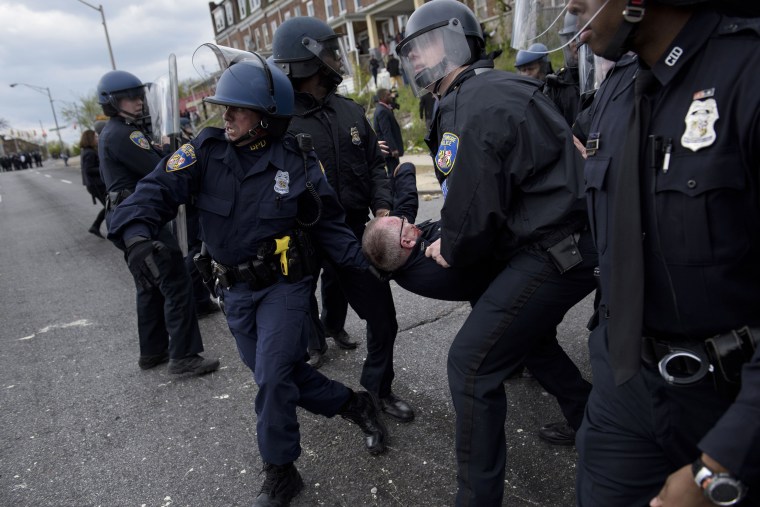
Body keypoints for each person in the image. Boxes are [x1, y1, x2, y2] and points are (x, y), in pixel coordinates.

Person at [107, 55, 389, 507]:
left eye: (236, 108)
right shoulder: (205, 150)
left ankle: (281, 472)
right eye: (225, 108)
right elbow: (156, 190)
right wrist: (136, 235)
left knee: (275, 377)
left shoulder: (295, 158)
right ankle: (354, 405)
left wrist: (371, 264)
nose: (226, 115)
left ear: (265, 115)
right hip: (233, 292)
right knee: (279, 377)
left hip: (284, 285)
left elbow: (331, 226)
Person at [557, 0, 760, 505]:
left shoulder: (748, 74)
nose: (569, 6)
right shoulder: (619, 86)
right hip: (625, 382)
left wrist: (720, 467)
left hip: (732, 399)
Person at [396, 1, 597, 504]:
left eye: (422, 48)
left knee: (471, 362)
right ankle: (589, 418)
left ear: (451, 42)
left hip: (552, 248)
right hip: (572, 240)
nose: (417, 62)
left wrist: (450, 246)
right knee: (524, 338)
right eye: (411, 54)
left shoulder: (466, 102)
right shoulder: (504, 85)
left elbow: (471, 208)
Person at [271, 17, 414, 424]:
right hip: (299, 239)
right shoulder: (279, 121)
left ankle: (378, 390)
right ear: (309, 60)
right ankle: (318, 362)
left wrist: (382, 207)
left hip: (350, 233)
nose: (338, 59)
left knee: (382, 315)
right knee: (292, 318)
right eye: (331, 52)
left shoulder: (350, 110)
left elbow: (373, 164)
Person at [96, 69, 219, 376]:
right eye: (128, 97)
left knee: (148, 284)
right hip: (139, 215)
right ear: (111, 102)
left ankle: (153, 351)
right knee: (175, 279)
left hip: (126, 214)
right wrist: (172, 151)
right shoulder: (125, 133)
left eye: (139, 96)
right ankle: (184, 356)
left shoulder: (115, 131)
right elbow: (157, 168)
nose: (137, 102)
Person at [543, 12, 582, 128]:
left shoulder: (609, 75)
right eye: (572, 38)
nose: (575, 44)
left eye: (579, 36)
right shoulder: (558, 84)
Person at [79, 129, 107, 238]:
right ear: (90, 139)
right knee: (110, 207)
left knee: (110, 206)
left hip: (96, 185)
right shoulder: (89, 153)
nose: (97, 138)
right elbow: (89, 169)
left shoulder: (88, 151)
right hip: (96, 186)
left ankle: (95, 226)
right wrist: (103, 167)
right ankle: (95, 226)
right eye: (95, 137)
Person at [373, 88, 404, 175]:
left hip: (389, 149)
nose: (391, 96)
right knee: (393, 173)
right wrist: (393, 149)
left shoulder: (384, 108)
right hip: (389, 150)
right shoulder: (382, 111)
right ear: (382, 97)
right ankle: (393, 189)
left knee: (395, 172)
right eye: (388, 95)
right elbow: (386, 131)